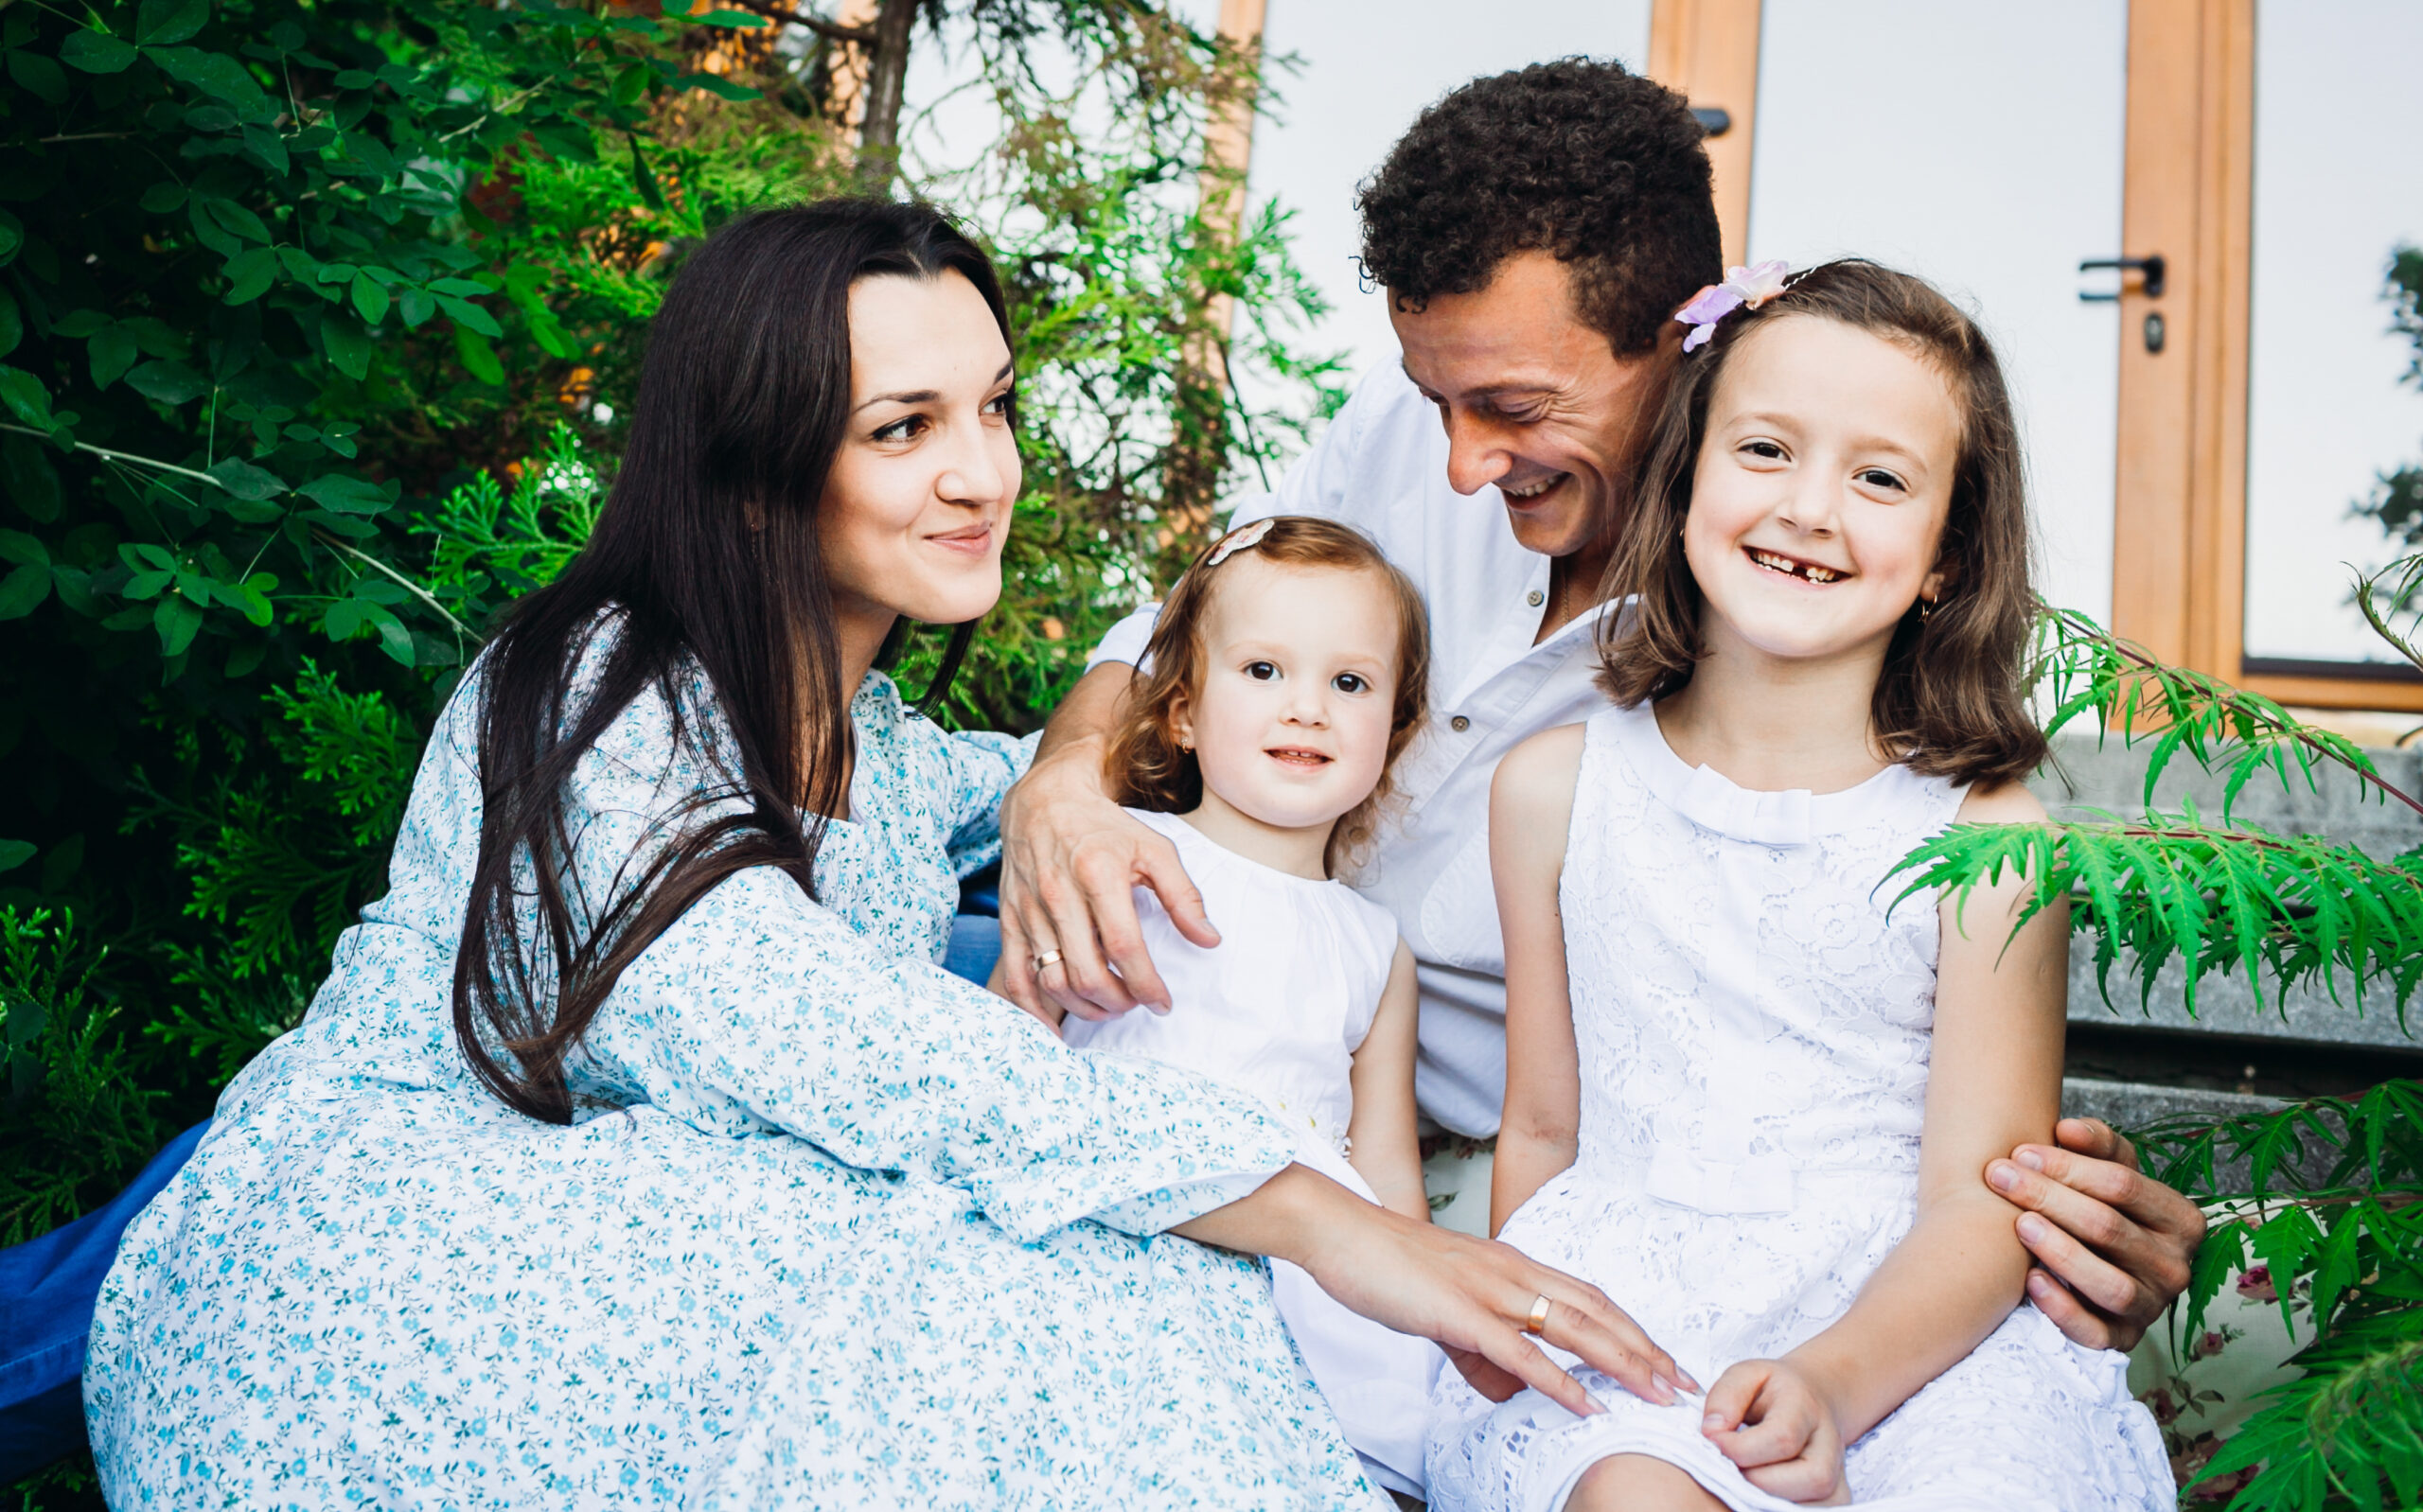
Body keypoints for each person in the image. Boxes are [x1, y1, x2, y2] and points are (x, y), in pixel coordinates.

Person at [83, 201, 1686, 1509]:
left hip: (674, 1225)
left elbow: (1041, 782)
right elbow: (830, 1034)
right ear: (766, 454)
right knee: (1069, 1293)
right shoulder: (598, 689)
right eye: (905, 426)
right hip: (400, 1281)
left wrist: (1069, 782)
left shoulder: (876, 730)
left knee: (1102, 1291)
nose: (983, 472)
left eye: (991, 407)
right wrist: (1348, 1226)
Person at [994, 57, 2205, 1351]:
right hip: (1185, 1027)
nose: (1461, 463)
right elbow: (1166, 637)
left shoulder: (1781, 627)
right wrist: (1062, 781)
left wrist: (2044, 1213)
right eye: (1435, 401)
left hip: (1455, 1156)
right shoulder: (1401, 445)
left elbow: (1849, 1018)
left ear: (1685, 342)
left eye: (1513, 409)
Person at [1426, 260, 2173, 1511]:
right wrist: (1515, 1314)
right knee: (1630, 1494)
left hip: (1910, 1328)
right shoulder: (1551, 790)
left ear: (1947, 553)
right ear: (1688, 479)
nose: (1811, 508)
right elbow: (1546, 1131)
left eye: (1881, 476)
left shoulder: (1992, 838)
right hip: (1631, 1305)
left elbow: (1978, 1199)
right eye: (1766, 448)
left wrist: (1832, 1380)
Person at [1034, 515, 1448, 1498]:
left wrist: (1424, 1301)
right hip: (1128, 1228)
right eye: (1263, 670)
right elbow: (1026, 1047)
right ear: (1179, 711)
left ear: (1392, 731)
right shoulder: (1121, 852)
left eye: (1348, 682)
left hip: (1305, 1273)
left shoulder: (1374, 944)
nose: (1306, 707)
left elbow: (1381, 1160)